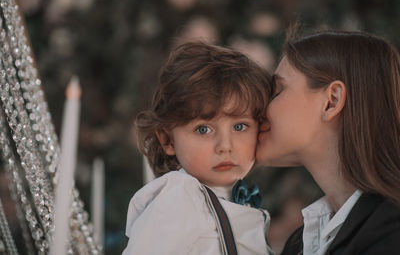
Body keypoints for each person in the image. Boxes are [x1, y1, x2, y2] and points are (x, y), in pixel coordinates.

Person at [256, 28, 400, 255]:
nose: (260, 110)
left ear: (331, 101)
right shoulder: (300, 244)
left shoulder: (392, 232)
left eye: (278, 90)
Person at [122, 41, 274, 255]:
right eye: (203, 130)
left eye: (239, 126)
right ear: (168, 141)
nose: (225, 146)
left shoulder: (239, 199)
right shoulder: (180, 198)